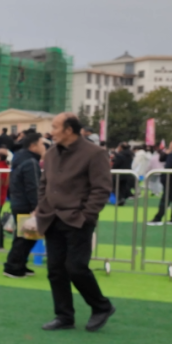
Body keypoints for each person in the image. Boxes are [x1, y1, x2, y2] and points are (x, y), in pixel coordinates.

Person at [35, 113, 115, 332]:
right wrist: (43, 206)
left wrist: (87, 215)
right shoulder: (51, 153)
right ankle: (64, 316)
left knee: (76, 268)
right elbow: (44, 183)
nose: (51, 131)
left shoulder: (95, 153)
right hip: (52, 218)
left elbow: (101, 188)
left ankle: (101, 306)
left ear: (69, 130)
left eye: (55, 127)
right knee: (55, 269)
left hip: (77, 220)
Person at [3, 131, 45, 278]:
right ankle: (13, 266)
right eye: (42, 144)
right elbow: (33, 187)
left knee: (26, 237)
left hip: (19, 202)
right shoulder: (30, 162)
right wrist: (38, 207)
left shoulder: (21, 158)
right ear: (33, 146)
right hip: (26, 204)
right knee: (24, 238)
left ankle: (19, 264)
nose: (44, 147)